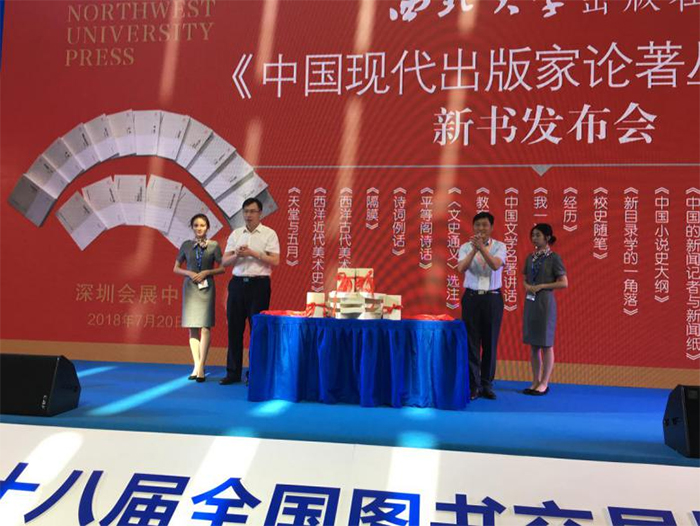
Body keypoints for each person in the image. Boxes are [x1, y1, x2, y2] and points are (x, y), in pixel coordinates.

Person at [220, 197, 280, 385]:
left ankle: (255, 373)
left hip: (259, 285)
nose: (248, 215)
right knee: (234, 330)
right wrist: (237, 254)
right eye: (246, 211)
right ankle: (233, 372)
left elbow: (275, 260)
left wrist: (253, 253)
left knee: (257, 330)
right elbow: (224, 261)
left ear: (260, 213)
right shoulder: (236, 234)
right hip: (237, 284)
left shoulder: (269, 234)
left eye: (252, 211)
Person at [457, 212, 506, 401]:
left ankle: (487, 384)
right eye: (477, 225)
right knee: (472, 343)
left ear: (491, 227)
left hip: (492, 298)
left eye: (485, 225)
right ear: (473, 227)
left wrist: (482, 249)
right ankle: (473, 385)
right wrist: (473, 250)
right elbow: (461, 268)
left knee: (490, 342)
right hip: (471, 298)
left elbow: (495, 265)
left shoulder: (500, 246)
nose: (481, 228)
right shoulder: (465, 247)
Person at [173, 214, 225, 382]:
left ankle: (201, 365)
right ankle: (196, 365)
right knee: (192, 328)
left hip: (206, 287)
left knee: (205, 327)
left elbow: (223, 267)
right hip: (190, 288)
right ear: (192, 227)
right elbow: (176, 268)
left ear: (207, 227)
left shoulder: (214, 245)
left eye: (202, 225)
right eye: (196, 225)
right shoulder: (186, 245)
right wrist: (189, 273)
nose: (199, 228)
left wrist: (207, 272)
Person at [522, 223, 568, 396]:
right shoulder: (530, 258)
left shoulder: (554, 258)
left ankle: (544, 382)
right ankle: (535, 380)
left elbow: (564, 282)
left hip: (545, 302)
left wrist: (542, 286)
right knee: (534, 345)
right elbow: (525, 279)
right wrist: (527, 286)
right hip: (531, 302)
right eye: (533, 235)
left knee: (546, 344)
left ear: (547, 238)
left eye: (538, 235)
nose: (534, 238)